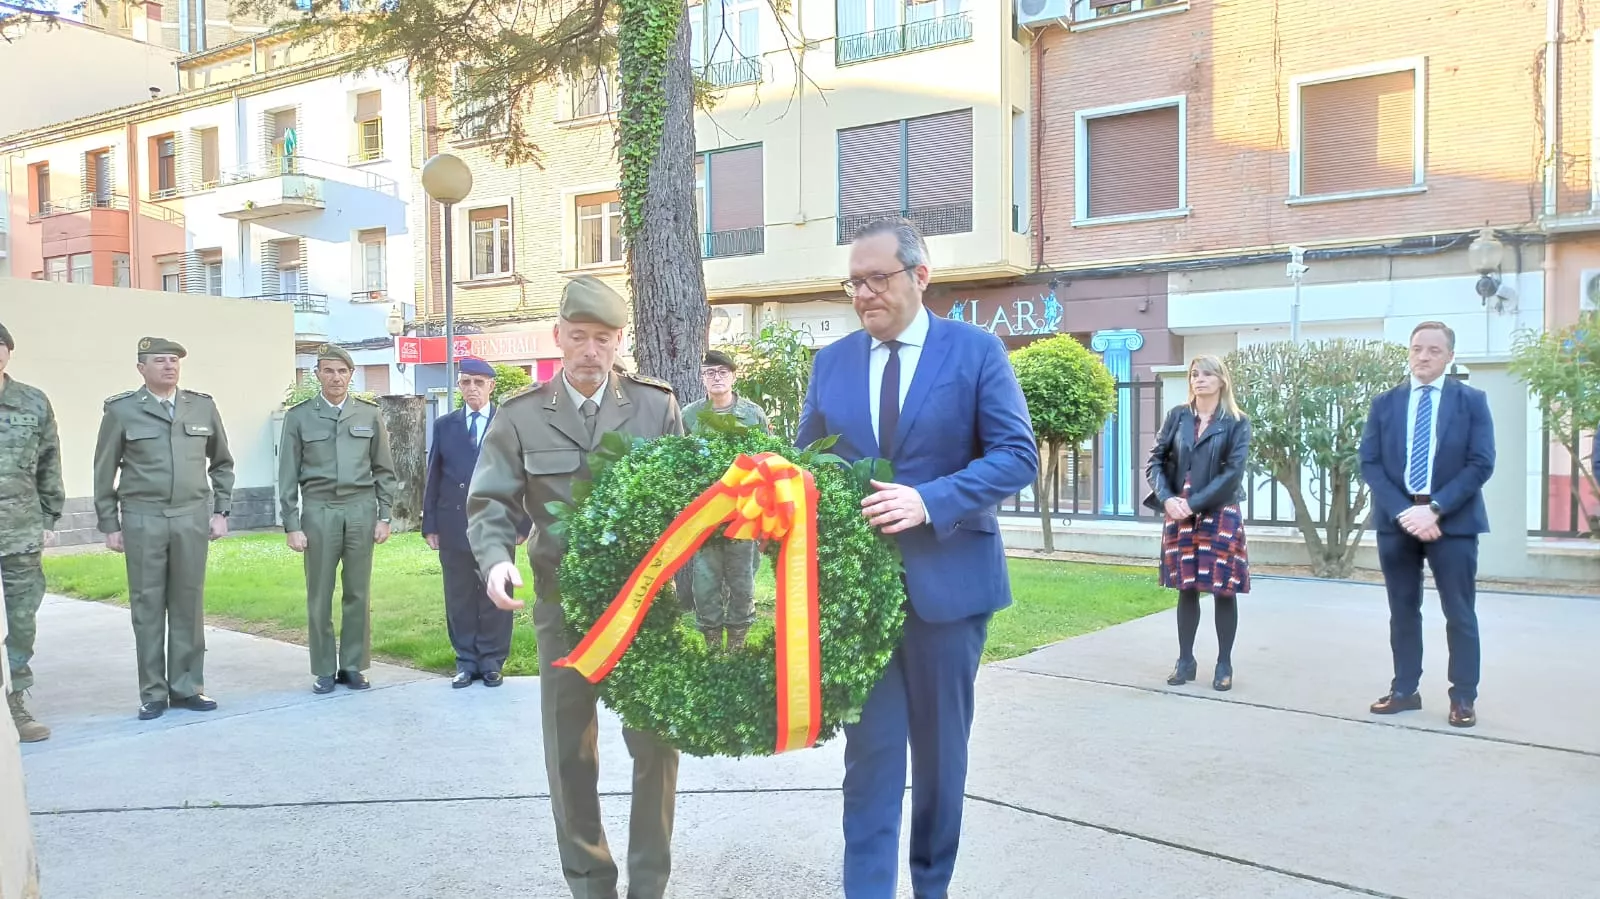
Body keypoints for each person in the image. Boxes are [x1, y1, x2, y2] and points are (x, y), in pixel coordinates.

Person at [795, 218, 1038, 899]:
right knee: (868, 761)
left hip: (950, 592)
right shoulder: (831, 362)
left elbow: (1017, 455)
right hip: (861, 601)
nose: (863, 294)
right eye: (854, 282)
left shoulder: (976, 351)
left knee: (939, 761)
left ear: (920, 275)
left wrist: (929, 500)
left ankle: (932, 885)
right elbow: (804, 466)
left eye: (877, 278)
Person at [468, 275, 685, 899]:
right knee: (570, 754)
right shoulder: (519, 415)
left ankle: (649, 885)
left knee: (656, 747)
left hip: (646, 608)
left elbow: (681, 505)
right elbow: (490, 505)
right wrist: (494, 560)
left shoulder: (654, 407)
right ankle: (591, 884)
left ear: (620, 342)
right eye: (581, 336)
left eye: (605, 338)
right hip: (563, 606)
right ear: (558, 337)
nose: (592, 350)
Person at [1359, 321, 1494, 728]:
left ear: (1450, 356)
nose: (1423, 356)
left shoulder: (1471, 401)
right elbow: (1371, 462)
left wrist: (1434, 509)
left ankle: (1463, 697)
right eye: (1417, 348)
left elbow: (1480, 462)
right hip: (1397, 519)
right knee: (1402, 610)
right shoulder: (1385, 403)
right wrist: (1405, 511)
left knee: (1459, 612)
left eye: (1434, 350)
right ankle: (1404, 690)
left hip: (1452, 523)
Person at [93, 337, 235, 721]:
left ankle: (188, 687)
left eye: (174, 360)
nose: (169, 366)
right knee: (148, 605)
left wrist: (221, 510)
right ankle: (153, 691)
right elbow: (104, 471)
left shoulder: (201, 406)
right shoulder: (122, 411)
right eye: (160, 361)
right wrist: (110, 523)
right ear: (142, 368)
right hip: (143, 517)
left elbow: (222, 462)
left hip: (191, 516)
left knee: (188, 603)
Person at [278, 344, 397, 695]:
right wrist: (291, 524)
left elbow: (383, 469)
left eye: (342, 371)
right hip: (319, 509)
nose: (336, 378)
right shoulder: (299, 417)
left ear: (351, 375)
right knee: (319, 593)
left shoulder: (368, 415)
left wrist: (384, 515)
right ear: (317, 374)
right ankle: (324, 669)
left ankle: (353, 665)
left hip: (361, 508)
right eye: (328, 371)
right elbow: (287, 474)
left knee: (358, 591)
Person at [1144, 355, 1253, 692]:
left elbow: (1233, 472)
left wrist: (1194, 503)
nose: (1199, 379)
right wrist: (1167, 499)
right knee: (1186, 587)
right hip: (1178, 511)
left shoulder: (1236, 421)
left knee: (1223, 589)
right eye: (1194, 374)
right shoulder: (1178, 416)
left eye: (1207, 374)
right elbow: (1155, 462)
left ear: (1222, 380)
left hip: (1218, 510)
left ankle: (1224, 662)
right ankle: (1185, 660)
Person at [422, 356, 528, 689]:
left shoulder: (507, 424)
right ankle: (466, 661)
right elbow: (434, 475)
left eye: (478, 383)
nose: (472, 389)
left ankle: (493, 660)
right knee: (459, 594)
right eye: (466, 382)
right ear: (459, 386)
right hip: (454, 522)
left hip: (498, 524)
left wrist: (522, 524)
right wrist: (431, 524)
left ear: (491, 386)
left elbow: (523, 476)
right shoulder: (445, 425)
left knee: (495, 591)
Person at [679, 350, 771, 651]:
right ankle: (713, 648)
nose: (716, 378)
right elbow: (678, 462)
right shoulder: (690, 416)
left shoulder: (753, 414)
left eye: (722, 372)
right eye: (709, 372)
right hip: (706, 516)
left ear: (733, 375)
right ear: (702, 378)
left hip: (743, 514)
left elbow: (768, 459)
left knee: (742, 583)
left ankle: (737, 648)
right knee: (705, 584)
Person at [0, 324, 64, 742]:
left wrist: (49, 518)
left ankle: (16, 705)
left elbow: (49, 461)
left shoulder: (32, 402)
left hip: (19, 530)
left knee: (22, 621)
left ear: (8, 352)